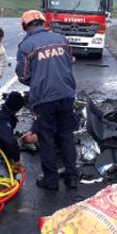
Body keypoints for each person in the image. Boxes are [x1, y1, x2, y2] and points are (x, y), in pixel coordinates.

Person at [15, 10, 78, 190]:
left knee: (47, 139)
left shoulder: (26, 46)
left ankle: (50, 181)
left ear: (26, 26)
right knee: (66, 136)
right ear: (43, 23)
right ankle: (71, 177)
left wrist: (37, 80)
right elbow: (69, 62)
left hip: (44, 99)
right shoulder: (62, 39)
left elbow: (23, 75)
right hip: (66, 94)